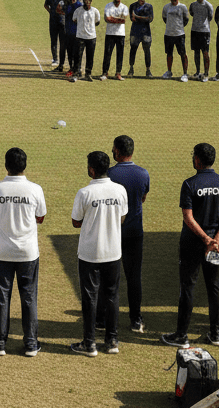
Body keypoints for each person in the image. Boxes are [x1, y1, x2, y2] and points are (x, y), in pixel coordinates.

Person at [161, 143, 219, 349]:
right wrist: (215, 240)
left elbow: (188, 217)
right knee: (214, 286)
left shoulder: (190, 184)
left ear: (197, 160)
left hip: (193, 244)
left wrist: (205, 240)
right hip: (217, 245)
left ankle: (182, 336)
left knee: (188, 287)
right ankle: (216, 333)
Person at [0, 147, 46, 357]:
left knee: (2, 298)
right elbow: (40, 217)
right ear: (25, 165)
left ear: (6, 165)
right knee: (29, 297)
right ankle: (31, 343)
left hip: (2, 252)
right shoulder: (35, 189)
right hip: (27, 253)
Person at [69, 151, 128, 357]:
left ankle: (89, 343)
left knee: (90, 297)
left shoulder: (84, 193)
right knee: (112, 296)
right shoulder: (120, 190)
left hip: (89, 253)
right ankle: (112, 340)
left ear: (91, 169)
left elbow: (76, 222)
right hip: (113, 251)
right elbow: (122, 218)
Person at [101, 135, 149, 335]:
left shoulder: (108, 174)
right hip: (134, 232)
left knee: (108, 277)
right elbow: (143, 198)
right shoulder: (143, 174)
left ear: (117, 152)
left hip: (111, 232)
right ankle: (136, 319)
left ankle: (104, 319)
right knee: (133, 277)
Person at [161, 0, 190, 82]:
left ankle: (185, 73)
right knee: (169, 54)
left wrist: (179, 27)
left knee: (182, 54)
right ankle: (169, 71)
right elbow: (164, 18)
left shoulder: (183, 7)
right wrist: (171, 26)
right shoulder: (166, 7)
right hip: (168, 34)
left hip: (179, 34)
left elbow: (186, 19)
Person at [71, 0, 100, 83]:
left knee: (90, 56)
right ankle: (76, 74)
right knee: (77, 56)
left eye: (89, 1)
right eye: (86, 1)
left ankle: (88, 74)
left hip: (91, 37)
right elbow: (74, 20)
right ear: (83, 1)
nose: (87, 2)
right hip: (80, 37)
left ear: (91, 1)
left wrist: (89, 28)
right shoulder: (78, 11)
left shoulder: (95, 11)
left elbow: (97, 21)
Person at [100, 0, 128, 80]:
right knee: (107, 53)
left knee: (120, 54)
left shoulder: (124, 7)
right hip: (110, 33)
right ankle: (105, 73)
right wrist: (117, 19)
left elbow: (123, 20)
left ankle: (118, 73)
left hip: (120, 34)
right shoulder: (108, 6)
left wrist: (113, 19)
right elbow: (107, 19)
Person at [127, 0, 153, 79]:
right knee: (133, 50)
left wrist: (138, 17)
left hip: (146, 32)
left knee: (147, 51)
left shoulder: (149, 7)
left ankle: (148, 69)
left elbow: (150, 19)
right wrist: (143, 18)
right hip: (135, 32)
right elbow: (132, 18)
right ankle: (131, 69)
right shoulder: (132, 6)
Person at [188, 0, 213, 82]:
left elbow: (210, 17)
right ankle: (197, 71)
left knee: (205, 52)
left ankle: (206, 73)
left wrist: (203, 24)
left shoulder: (208, 5)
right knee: (196, 52)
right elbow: (191, 13)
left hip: (204, 31)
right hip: (194, 30)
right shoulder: (193, 5)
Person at [44, 0, 66, 71]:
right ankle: (55, 59)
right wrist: (51, 12)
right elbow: (45, 5)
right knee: (53, 41)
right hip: (53, 21)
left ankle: (62, 61)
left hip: (63, 22)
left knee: (63, 42)